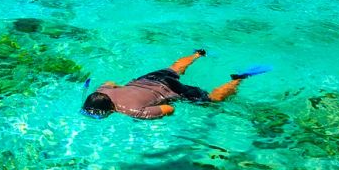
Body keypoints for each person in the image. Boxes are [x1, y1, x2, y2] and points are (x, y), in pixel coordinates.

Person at [80, 49, 246, 120]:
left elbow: (169, 109)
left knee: (212, 100)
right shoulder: (101, 90)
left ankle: (238, 78)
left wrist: (150, 115)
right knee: (174, 69)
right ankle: (198, 54)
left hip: (171, 89)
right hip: (147, 79)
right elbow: (110, 82)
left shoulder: (134, 112)